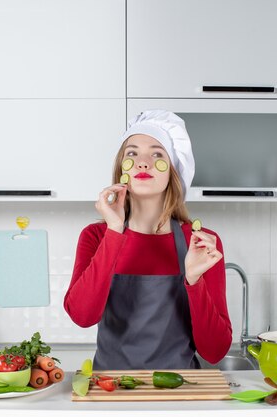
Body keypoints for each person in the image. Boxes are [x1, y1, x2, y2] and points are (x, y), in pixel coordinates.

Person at [63, 110, 232, 370]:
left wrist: (194, 281)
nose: (143, 163)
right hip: (112, 391)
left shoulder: (200, 243)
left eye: (157, 154)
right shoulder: (97, 236)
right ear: (122, 169)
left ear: (173, 171)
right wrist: (115, 230)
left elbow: (215, 351)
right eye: (132, 153)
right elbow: (82, 317)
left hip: (181, 392)